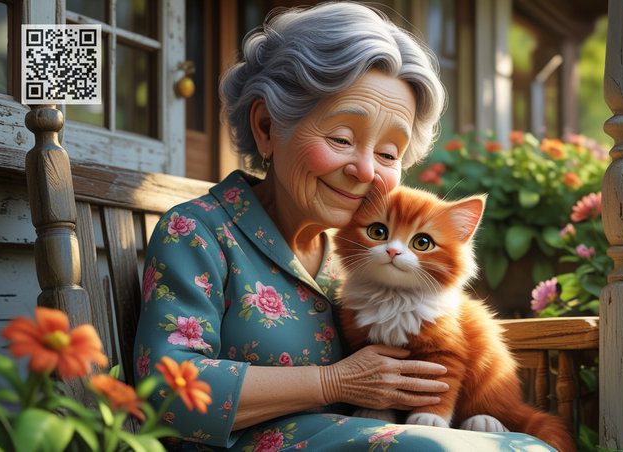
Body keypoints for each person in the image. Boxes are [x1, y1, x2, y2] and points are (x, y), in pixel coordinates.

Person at [134, 3, 556, 450]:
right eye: (341, 139)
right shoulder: (197, 232)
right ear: (266, 126)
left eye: (389, 154)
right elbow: (165, 390)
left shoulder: (353, 253)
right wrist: (334, 382)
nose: (367, 171)